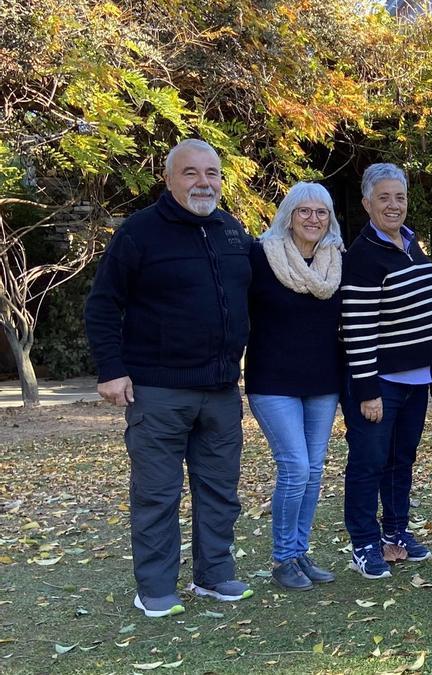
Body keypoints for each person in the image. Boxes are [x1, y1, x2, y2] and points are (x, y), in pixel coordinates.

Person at [84, 139, 254, 617]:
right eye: (191, 173)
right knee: (157, 493)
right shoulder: (139, 232)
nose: (204, 182)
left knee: (219, 490)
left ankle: (214, 574)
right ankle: (156, 588)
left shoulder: (231, 230)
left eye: (212, 173)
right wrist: (111, 370)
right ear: (169, 179)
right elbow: (102, 303)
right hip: (158, 390)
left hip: (221, 390)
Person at [340, 163, 432, 580]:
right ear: (367, 203)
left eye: (399, 197)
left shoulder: (411, 243)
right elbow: (357, 328)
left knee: (401, 460)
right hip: (380, 382)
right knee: (369, 463)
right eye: (383, 197)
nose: (393, 205)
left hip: (417, 378)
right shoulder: (363, 255)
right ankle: (364, 542)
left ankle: (396, 531)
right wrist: (367, 390)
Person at [245, 181, 344, 590]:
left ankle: (300, 552)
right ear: (288, 215)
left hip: (322, 380)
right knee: (295, 467)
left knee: (314, 469)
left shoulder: (336, 261)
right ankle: (283, 557)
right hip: (272, 380)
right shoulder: (260, 255)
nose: (313, 219)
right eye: (304, 211)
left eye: (321, 212)